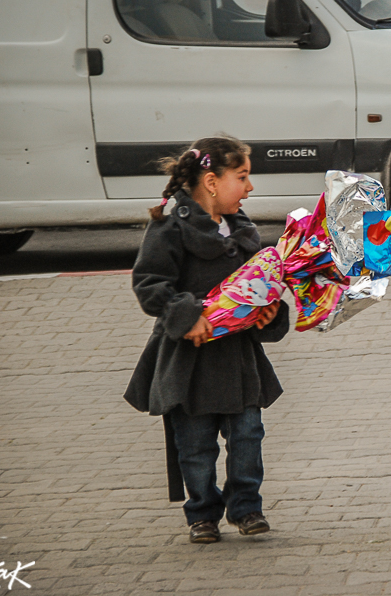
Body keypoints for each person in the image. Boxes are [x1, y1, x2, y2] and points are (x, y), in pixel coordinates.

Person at [124, 135, 290, 544]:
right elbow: (149, 283)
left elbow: (260, 287)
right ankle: (201, 511)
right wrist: (187, 314)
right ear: (212, 181)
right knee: (195, 446)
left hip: (237, 359)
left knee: (248, 434)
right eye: (243, 176)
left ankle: (247, 507)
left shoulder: (243, 229)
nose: (250, 188)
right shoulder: (169, 227)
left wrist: (269, 312)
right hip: (188, 362)